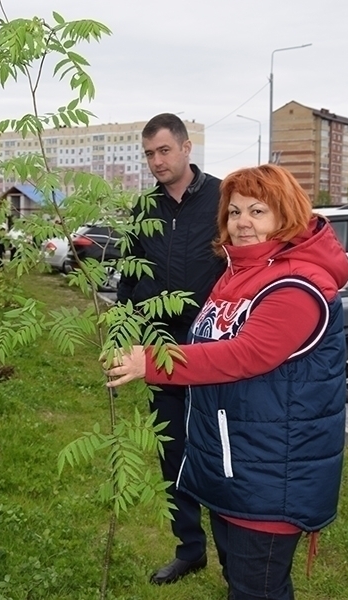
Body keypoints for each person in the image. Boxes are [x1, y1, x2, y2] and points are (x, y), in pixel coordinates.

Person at [107, 164, 348, 600]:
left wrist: (155, 362)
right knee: (242, 582)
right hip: (234, 465)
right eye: (235, 211)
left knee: (258, 588)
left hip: (270, 475)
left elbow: (246, 355)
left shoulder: (297, 284)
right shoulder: (237, 273)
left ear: (285, 215)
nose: (242, 223)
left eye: (257, 211)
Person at [117, 112, 226, 585]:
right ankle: (190, 548)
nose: (156, 161)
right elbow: (131, 274)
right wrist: (124, 333)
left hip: (212, 346)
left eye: (164, 151)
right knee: (172, 450)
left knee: (220, 452)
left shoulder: (224, 199)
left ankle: (237, 561)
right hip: (159, 346)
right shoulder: (145, 208)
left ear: (186, 149)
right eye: (149, 154)